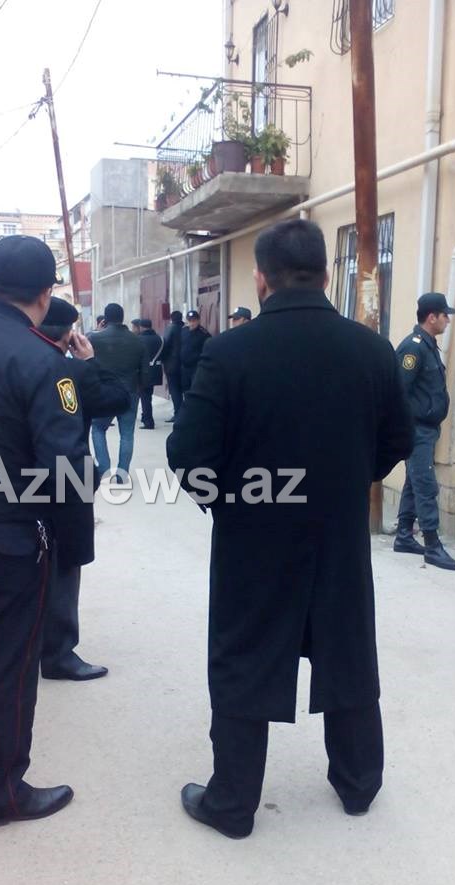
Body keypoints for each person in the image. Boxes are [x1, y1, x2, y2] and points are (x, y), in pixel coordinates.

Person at [167, 219, 414, 839]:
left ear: (261, 278)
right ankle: (358, 785)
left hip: (254, 537)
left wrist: (229, 500)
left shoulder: (229, 352)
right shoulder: (371, 349)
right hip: (339, 532)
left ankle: (232, 804)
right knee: (347, 647)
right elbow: (397, 440)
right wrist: (348, 481)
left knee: (244, 655)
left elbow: (189, 453)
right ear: (326, 274)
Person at [0, 236, 90, 827]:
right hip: (7, 538)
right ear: (45, 295)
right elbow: (64, 467)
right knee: (5, 665)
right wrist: (73, 545)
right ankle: (1, 794)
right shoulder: (43, 361)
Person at [38, 298, 130, 681]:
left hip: (7, 480)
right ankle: (58, 654)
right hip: (65, 481)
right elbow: (119, 397)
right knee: (63, 567)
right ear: (69, 334)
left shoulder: (11, 359)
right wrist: (90, 361)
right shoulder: (70, 371)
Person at [393, 292, 455, 571]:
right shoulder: (414, 348)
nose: (447, 320)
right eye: (445, 315)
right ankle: (432, 545)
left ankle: (404, 536)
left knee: (414, 481)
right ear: (432, 317)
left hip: (427, 429)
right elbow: (398, 391)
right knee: (425, 484)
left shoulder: (429, 346)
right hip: (417, 430)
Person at [89, 302, 150, 480]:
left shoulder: (95, 339)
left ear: (105, 319)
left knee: (98, 429)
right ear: (123, 318)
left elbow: (85, 360)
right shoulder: (138, 341)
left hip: (103, 392)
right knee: (127, 434)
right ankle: (122, 475)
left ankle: (103, 468)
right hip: (129, 392)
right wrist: (138, 389)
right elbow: (145, 373)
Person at [134, 318, 164, 430]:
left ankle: (148, 421)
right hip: (156, 370)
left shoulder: (138, 339)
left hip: (143, 371)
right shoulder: (160, 339)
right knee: (148, 395)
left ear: (141, 327)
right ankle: (145, 417)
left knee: (144, 397)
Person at [180, 309, 211, 394]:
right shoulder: (183, 331)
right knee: (185, 390)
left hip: (196, 367)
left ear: (198, 320)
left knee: (196, 390)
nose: (192, 323)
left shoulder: (204, 334)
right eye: (189, 321)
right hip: (184, 367)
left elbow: (208, 350)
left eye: (194, 321)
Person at [162, 310, 184, 421]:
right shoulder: (185, 329)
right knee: (184, 389)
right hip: (184, 364)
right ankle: (184, 413)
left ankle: (178, 413)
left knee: (174, 390)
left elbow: (164, 345)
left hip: (171, 364)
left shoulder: (170, 329)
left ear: (171, 318)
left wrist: (162, 360)